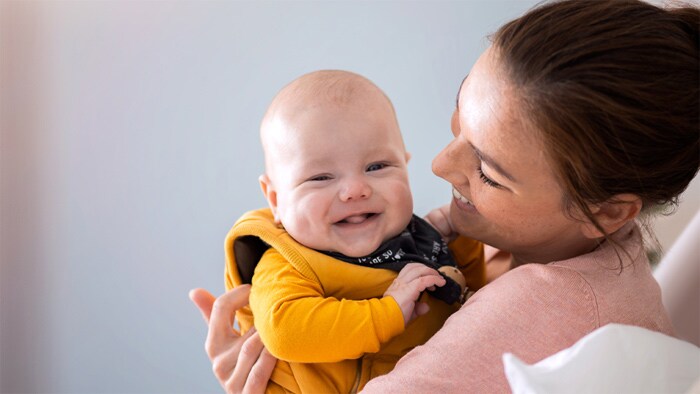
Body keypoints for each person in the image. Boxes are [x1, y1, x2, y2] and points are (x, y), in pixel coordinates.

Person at [190, 0, 700, 392]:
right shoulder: (530, 240)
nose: (438, 164)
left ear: (608, 211)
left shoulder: (538, 310)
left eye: (488, 172)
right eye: (460, 122)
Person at [220, 70, 485, 393]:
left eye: (377, 167)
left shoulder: (418, 241)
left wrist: (463, 242)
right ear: (275, 199)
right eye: (320, 177)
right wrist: (385, 313)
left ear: (405, 165)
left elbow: (473, 299)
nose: (355, 190)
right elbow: (285, 330)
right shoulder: (289, 263)